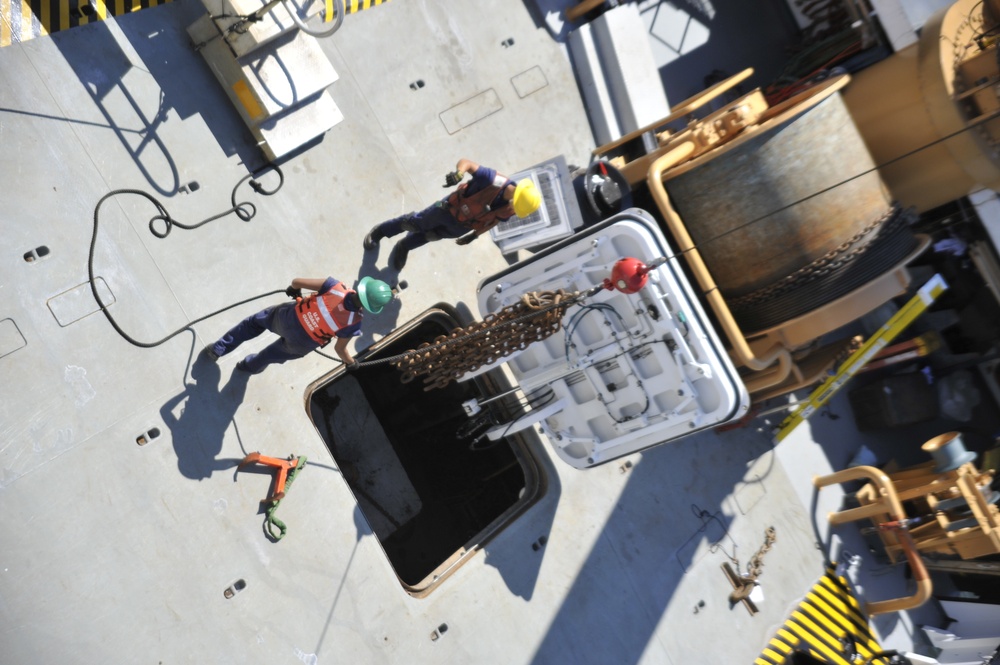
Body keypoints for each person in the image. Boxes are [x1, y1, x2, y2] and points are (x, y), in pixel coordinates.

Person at [363, 158, 542, 270]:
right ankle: (381, 231)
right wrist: (459, 173)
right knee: (414, 224)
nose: (514, 210)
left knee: (431, 235)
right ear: (516, 197)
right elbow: (468, 163)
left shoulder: (510, 207)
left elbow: (494, 221)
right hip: (447, 210)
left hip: (462, 226)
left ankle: (404, 246)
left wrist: (475, 235)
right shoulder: (491, 180)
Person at [205, 276, 393, 374]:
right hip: (302, 342)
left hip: (288, 318)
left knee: (253, 324)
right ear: (371, 307)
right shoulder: (353, 323)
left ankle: (219, 349)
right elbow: (340, 349)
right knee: (271, 354)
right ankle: (247, 367)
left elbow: (296, 282)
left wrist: (294, 290)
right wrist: (352, 363)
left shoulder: (334, 286)